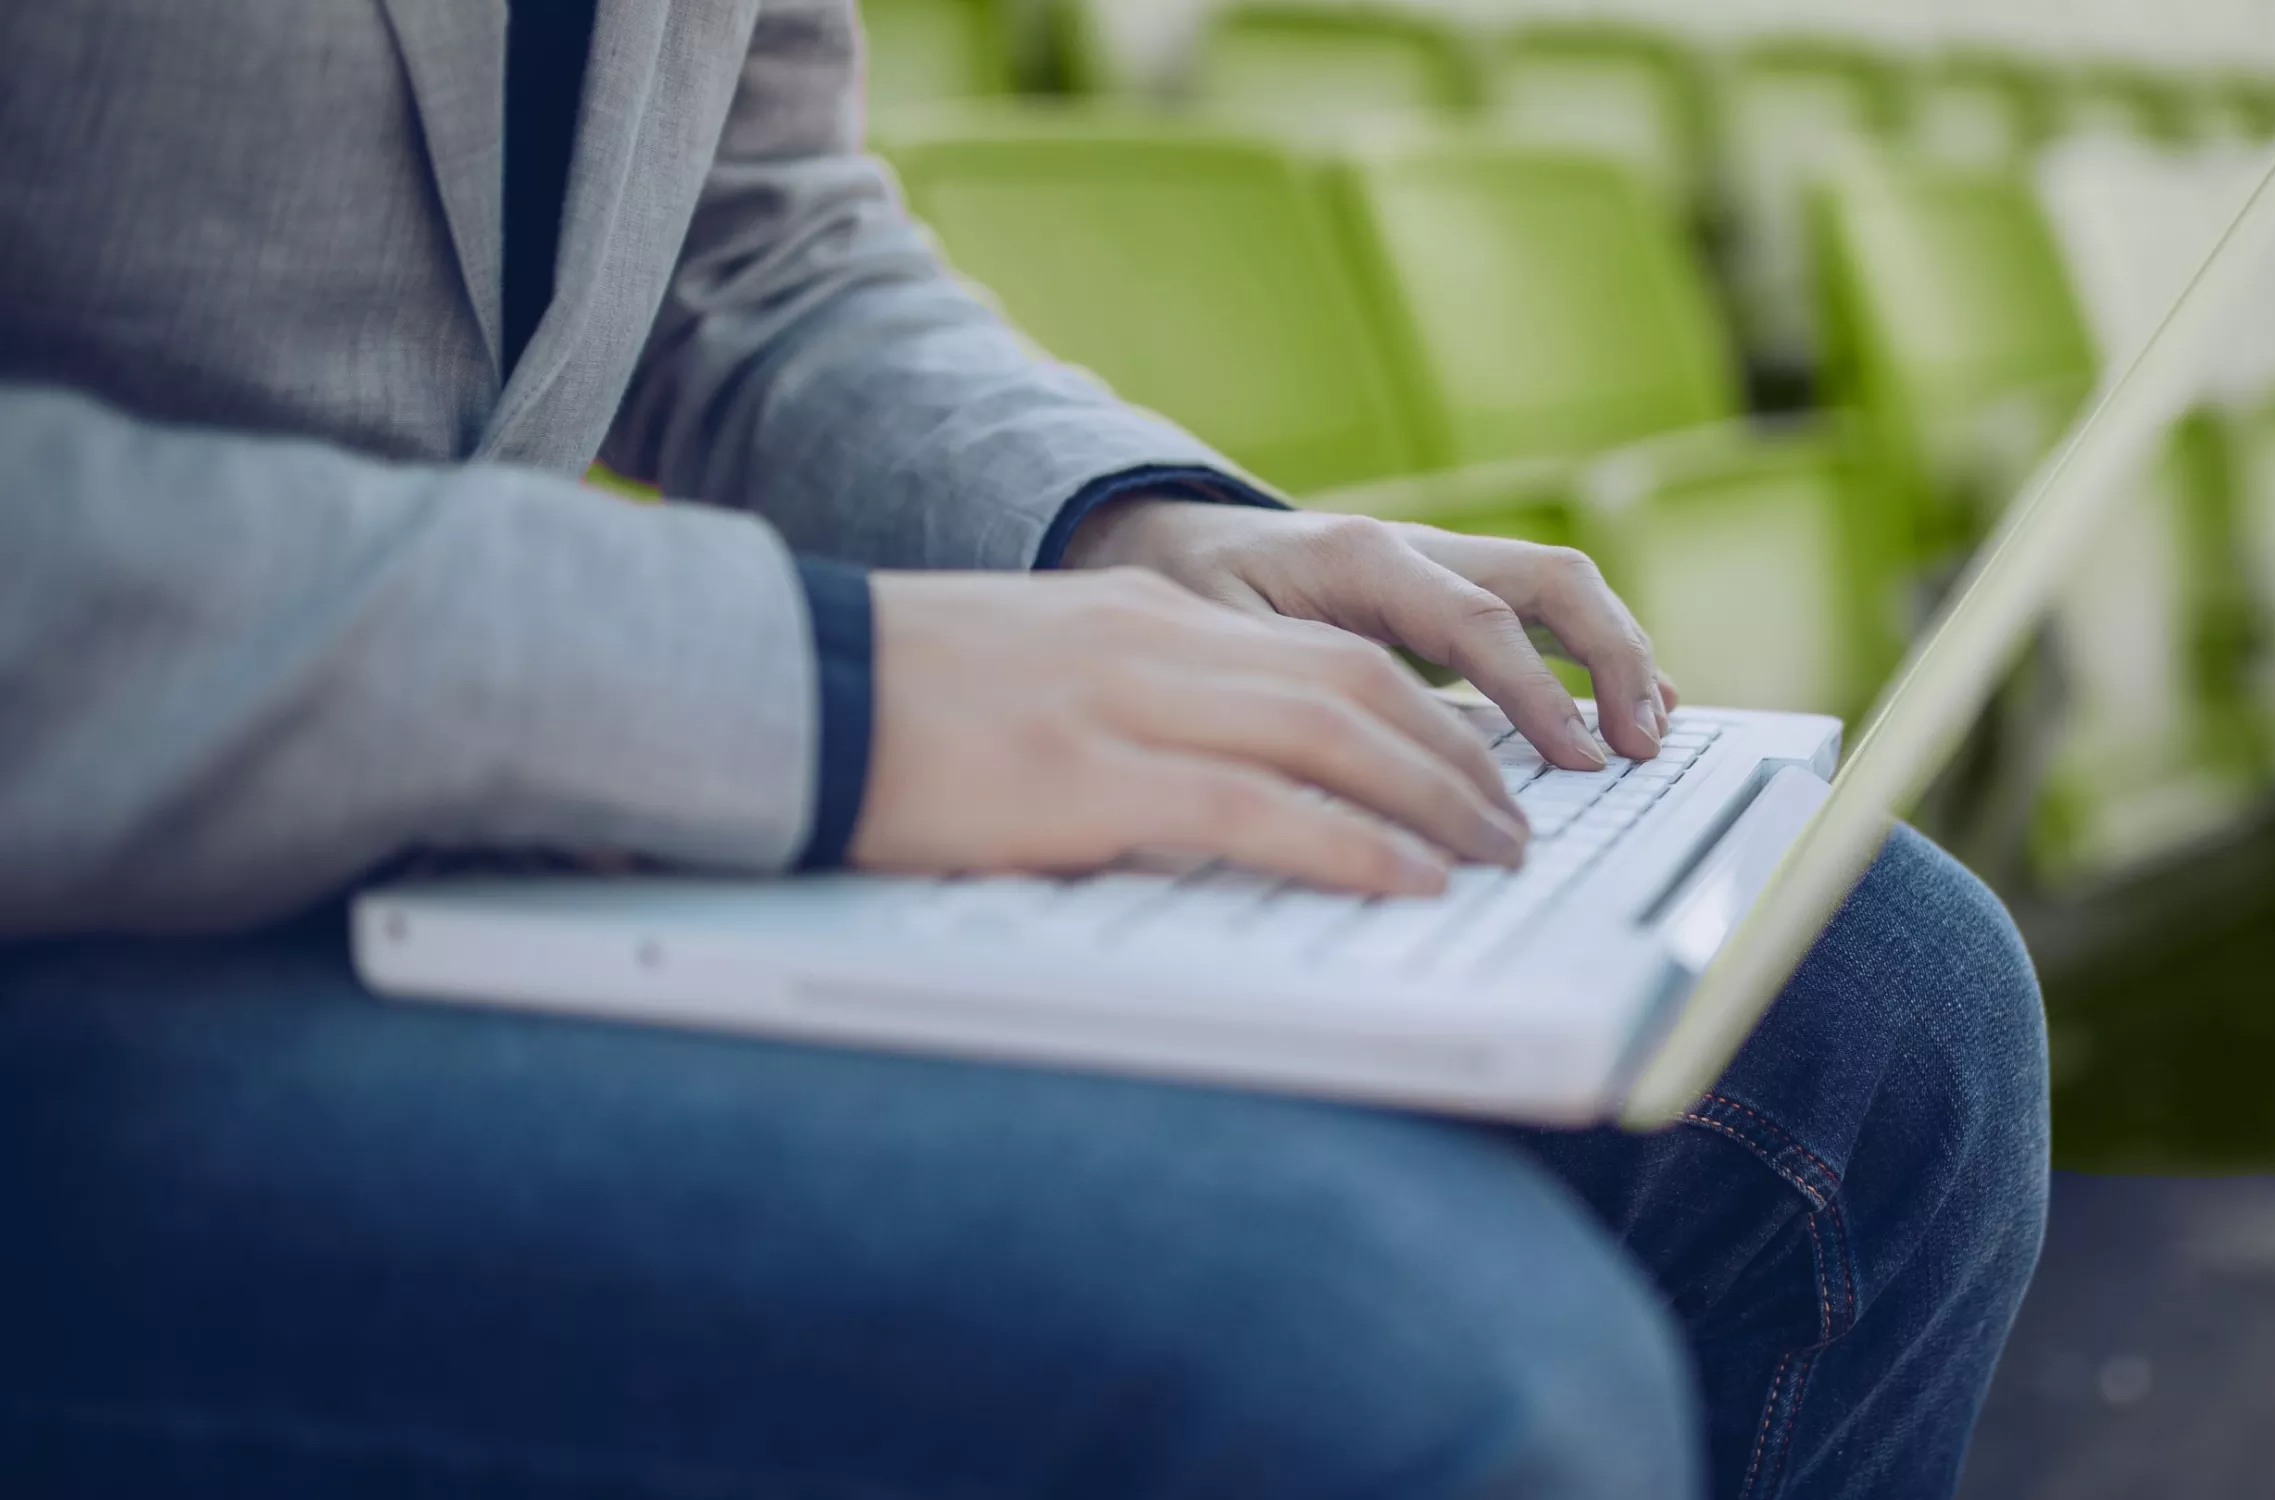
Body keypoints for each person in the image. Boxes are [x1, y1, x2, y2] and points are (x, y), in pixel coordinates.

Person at [0, 2, 2050, 1495]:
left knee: (1874, 999)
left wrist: (1128, 529)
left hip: (441, 827)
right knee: (1405, 1366)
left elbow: (741, 243)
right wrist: (818, 693)